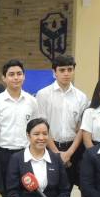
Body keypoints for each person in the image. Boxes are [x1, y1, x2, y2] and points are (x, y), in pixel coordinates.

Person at [35, 55, 89, 187]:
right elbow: (42, 126)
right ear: (54, 72)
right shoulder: (43, 94)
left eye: (70, 70)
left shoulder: (81, 97)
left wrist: (69, 153)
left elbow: (81, 128)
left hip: (73, 147)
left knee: (69, 186)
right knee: (50, 185)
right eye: (62, 70)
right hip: (49, 146)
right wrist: (57, 153)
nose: (66, 73)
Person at [0, 59, 40, 180]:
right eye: (11, 74)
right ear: (4, 78)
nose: (16, 77)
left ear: (24, 77)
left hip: (26, 152)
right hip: (2, 153)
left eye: (19, 74)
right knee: (3, 189)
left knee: (25, 188)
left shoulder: (32, 101)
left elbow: (35, 128)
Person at [6, 118, 71, 197]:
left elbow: (64, 190)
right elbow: (12, 192)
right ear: (28, 136)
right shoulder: (16, 159)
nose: (41, 138)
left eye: (45, 134)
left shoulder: (56, 159)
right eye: (36, 134)